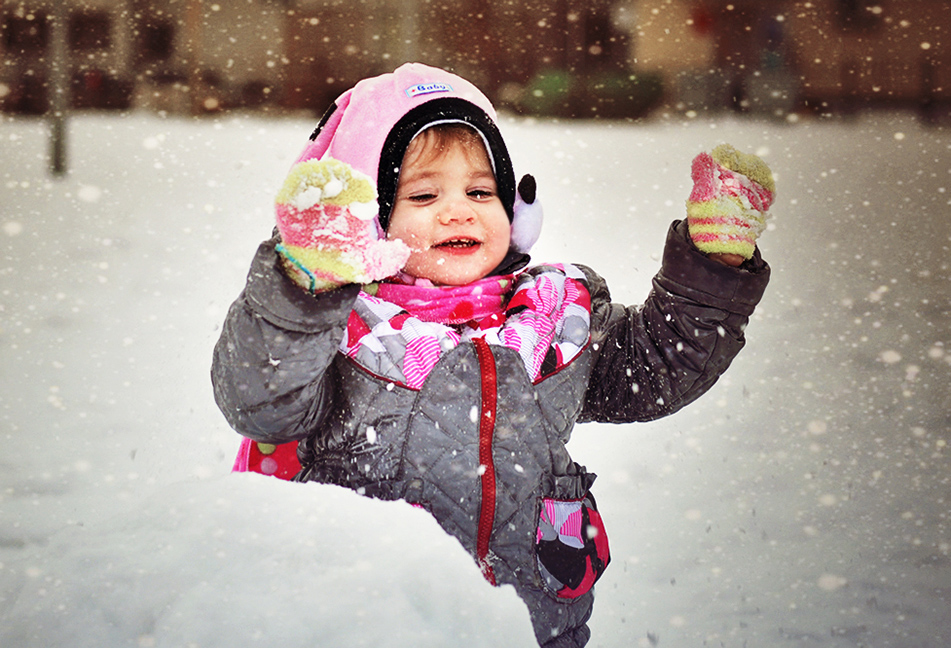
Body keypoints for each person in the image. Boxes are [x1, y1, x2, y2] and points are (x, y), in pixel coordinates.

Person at [211, 63, 773, 647]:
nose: (459, 210)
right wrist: (304, 288)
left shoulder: (553, 314)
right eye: (424, 194)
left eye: (481, 191)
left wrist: (713, 266)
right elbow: (261, 404)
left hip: (533, 618)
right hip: (373, 618)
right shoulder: (342, 323)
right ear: (368, 219)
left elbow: (653, 371)